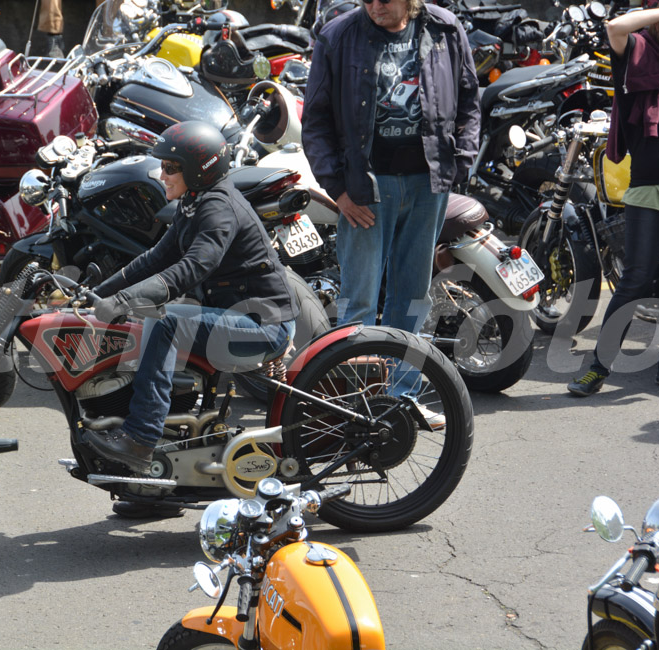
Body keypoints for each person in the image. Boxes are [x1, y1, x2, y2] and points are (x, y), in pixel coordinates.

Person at [85, 120, 299, 518]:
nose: (161, 174)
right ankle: (154, 484)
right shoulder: (195, 201)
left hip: (262, 327)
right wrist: (98, 294)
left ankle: (140, 438)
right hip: (232, 317)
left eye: (170, 167)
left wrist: (128, 298)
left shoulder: (218, 207)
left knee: (166, 320)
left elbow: (195, 265)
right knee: (142, 328)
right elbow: (155, 259)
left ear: (199, 170)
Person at [301, 0, 480, 336]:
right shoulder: (338, 36)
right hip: (365, 188)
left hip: (428, 183)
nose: (375, 6)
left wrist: (461, 162)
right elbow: (315, 122)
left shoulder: (445, 28)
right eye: (367, 0)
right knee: (358, 301)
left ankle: (402, 372)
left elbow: (469, 100)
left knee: (413, 298)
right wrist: (338, 190)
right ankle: (358, 371)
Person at [568, 0, 659, 396]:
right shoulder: (638, 57)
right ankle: (598, 367)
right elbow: (615, 27)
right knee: (636, 279)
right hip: (649, 188)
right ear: (658, 26)